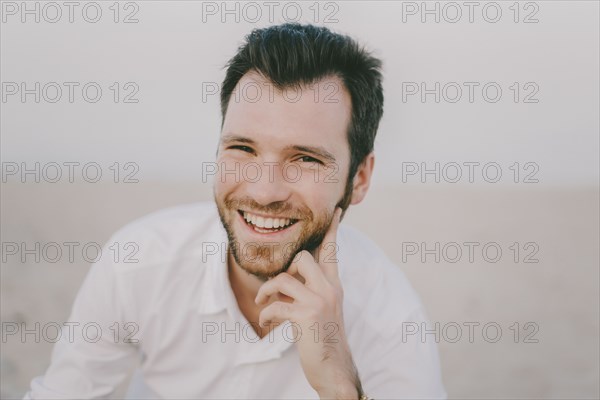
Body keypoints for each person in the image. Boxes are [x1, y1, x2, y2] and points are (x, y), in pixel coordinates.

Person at [25, 23, 446, 399]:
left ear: (359, 178)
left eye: (305, 159)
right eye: (243, 148)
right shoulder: (138, 263)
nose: (264, 192)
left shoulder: (391, 319)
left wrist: (338, 385)